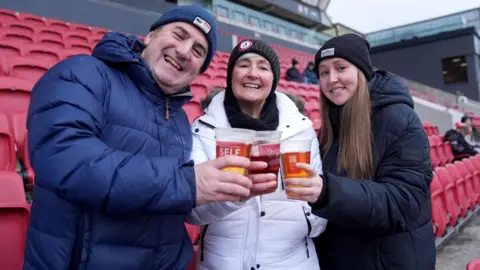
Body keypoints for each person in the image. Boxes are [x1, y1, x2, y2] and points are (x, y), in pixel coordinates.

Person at [23, 5, 275, 270]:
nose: (184, 51)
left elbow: (174, 204)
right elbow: (65, 159)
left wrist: (231, 192)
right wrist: (187, 182)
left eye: (198, 51)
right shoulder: (83, 72)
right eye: (179, 35)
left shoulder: (178, 117)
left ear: (199, 70)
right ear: (151, 36)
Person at [286, 34, 435, 269]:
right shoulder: (332, 126)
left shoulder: (400, 119)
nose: (331, 79)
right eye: (323, 72)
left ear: (362, 71)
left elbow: (404, 202)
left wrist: (327, 192)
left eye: (341, 68)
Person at [186, 39, 327, 270]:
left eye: (263, 67)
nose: (253, 73)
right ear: (231, 74)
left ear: (273, 79)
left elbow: (319, 200)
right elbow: (192, 212)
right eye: (243, 65)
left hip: (295, 262)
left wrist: (310, 219)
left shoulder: (301, 129)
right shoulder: (204, 129)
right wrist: (235, 196)